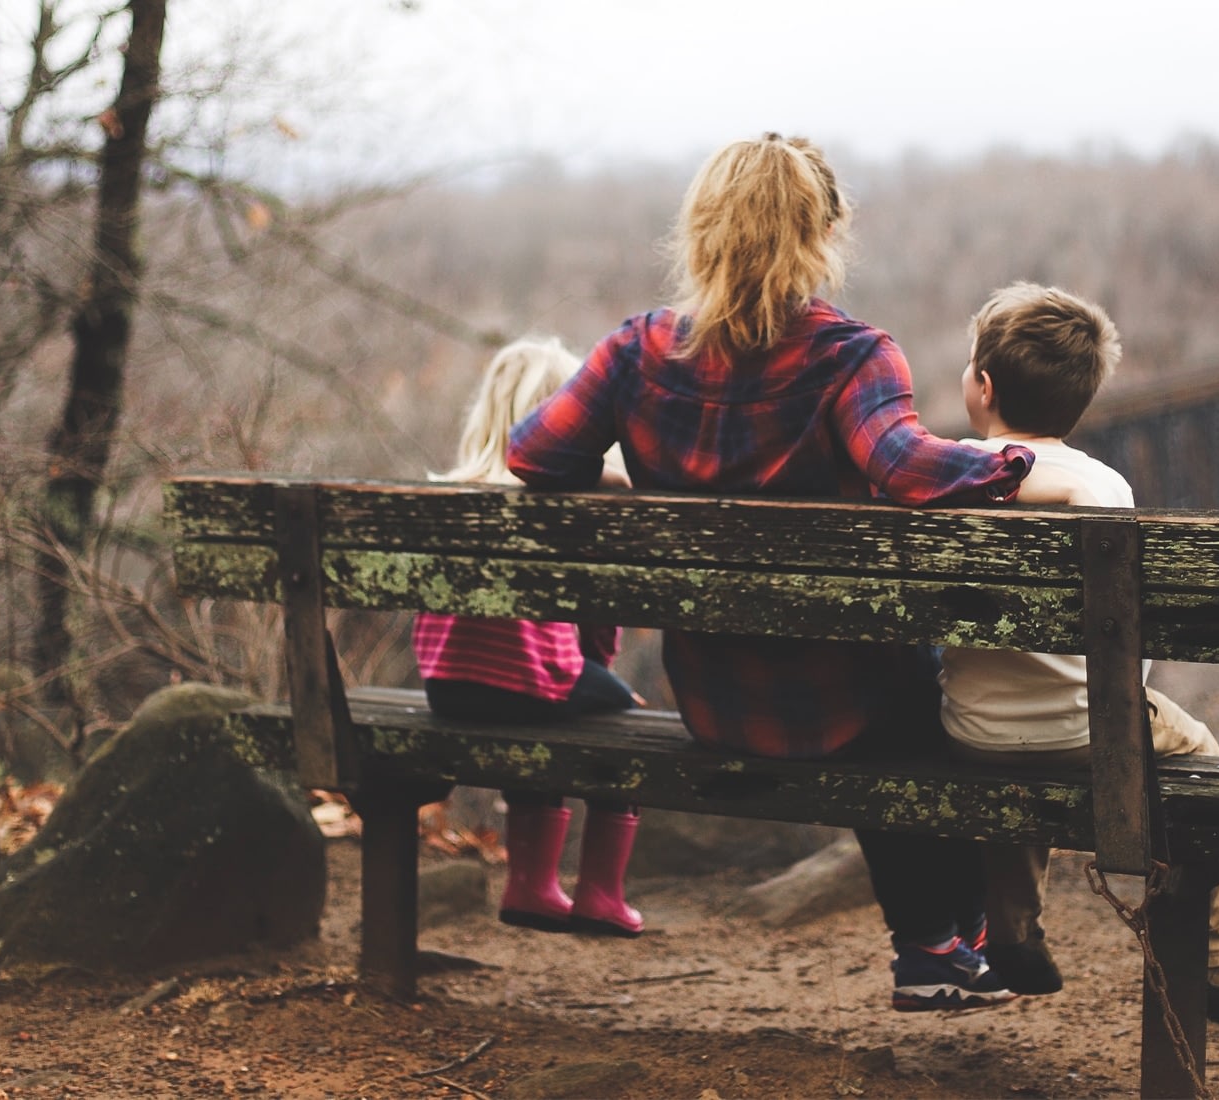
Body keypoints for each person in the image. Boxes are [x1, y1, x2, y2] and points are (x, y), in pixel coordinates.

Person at [509, 133, 1032, 1011]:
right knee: (927, 690)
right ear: (824, 232)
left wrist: (618, 477)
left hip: (715, 700)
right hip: (846, 707)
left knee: (897, 686)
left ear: (701, 230)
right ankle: (943, 942)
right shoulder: (851, 356)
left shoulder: (635, 352)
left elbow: (533, 455)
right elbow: (906, 468)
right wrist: (1015, 463)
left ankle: (947, 944)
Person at [939, 282, 1219, 1031]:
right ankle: (1214, 956)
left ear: (982, 387)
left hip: (972, 732)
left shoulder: (944, 474)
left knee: (1014, 743)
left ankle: (1012, 930)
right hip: (1094, 731)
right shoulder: (1104, 487)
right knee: (1201, 754)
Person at [411, 336, 647, 937]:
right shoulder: (564, 500)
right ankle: (598, 894)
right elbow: (595, 619)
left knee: (539, 700)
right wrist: (606, 679)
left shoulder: (450, 493)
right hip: (529, 683)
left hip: (447, 688)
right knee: (623, 721)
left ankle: (531, 885)